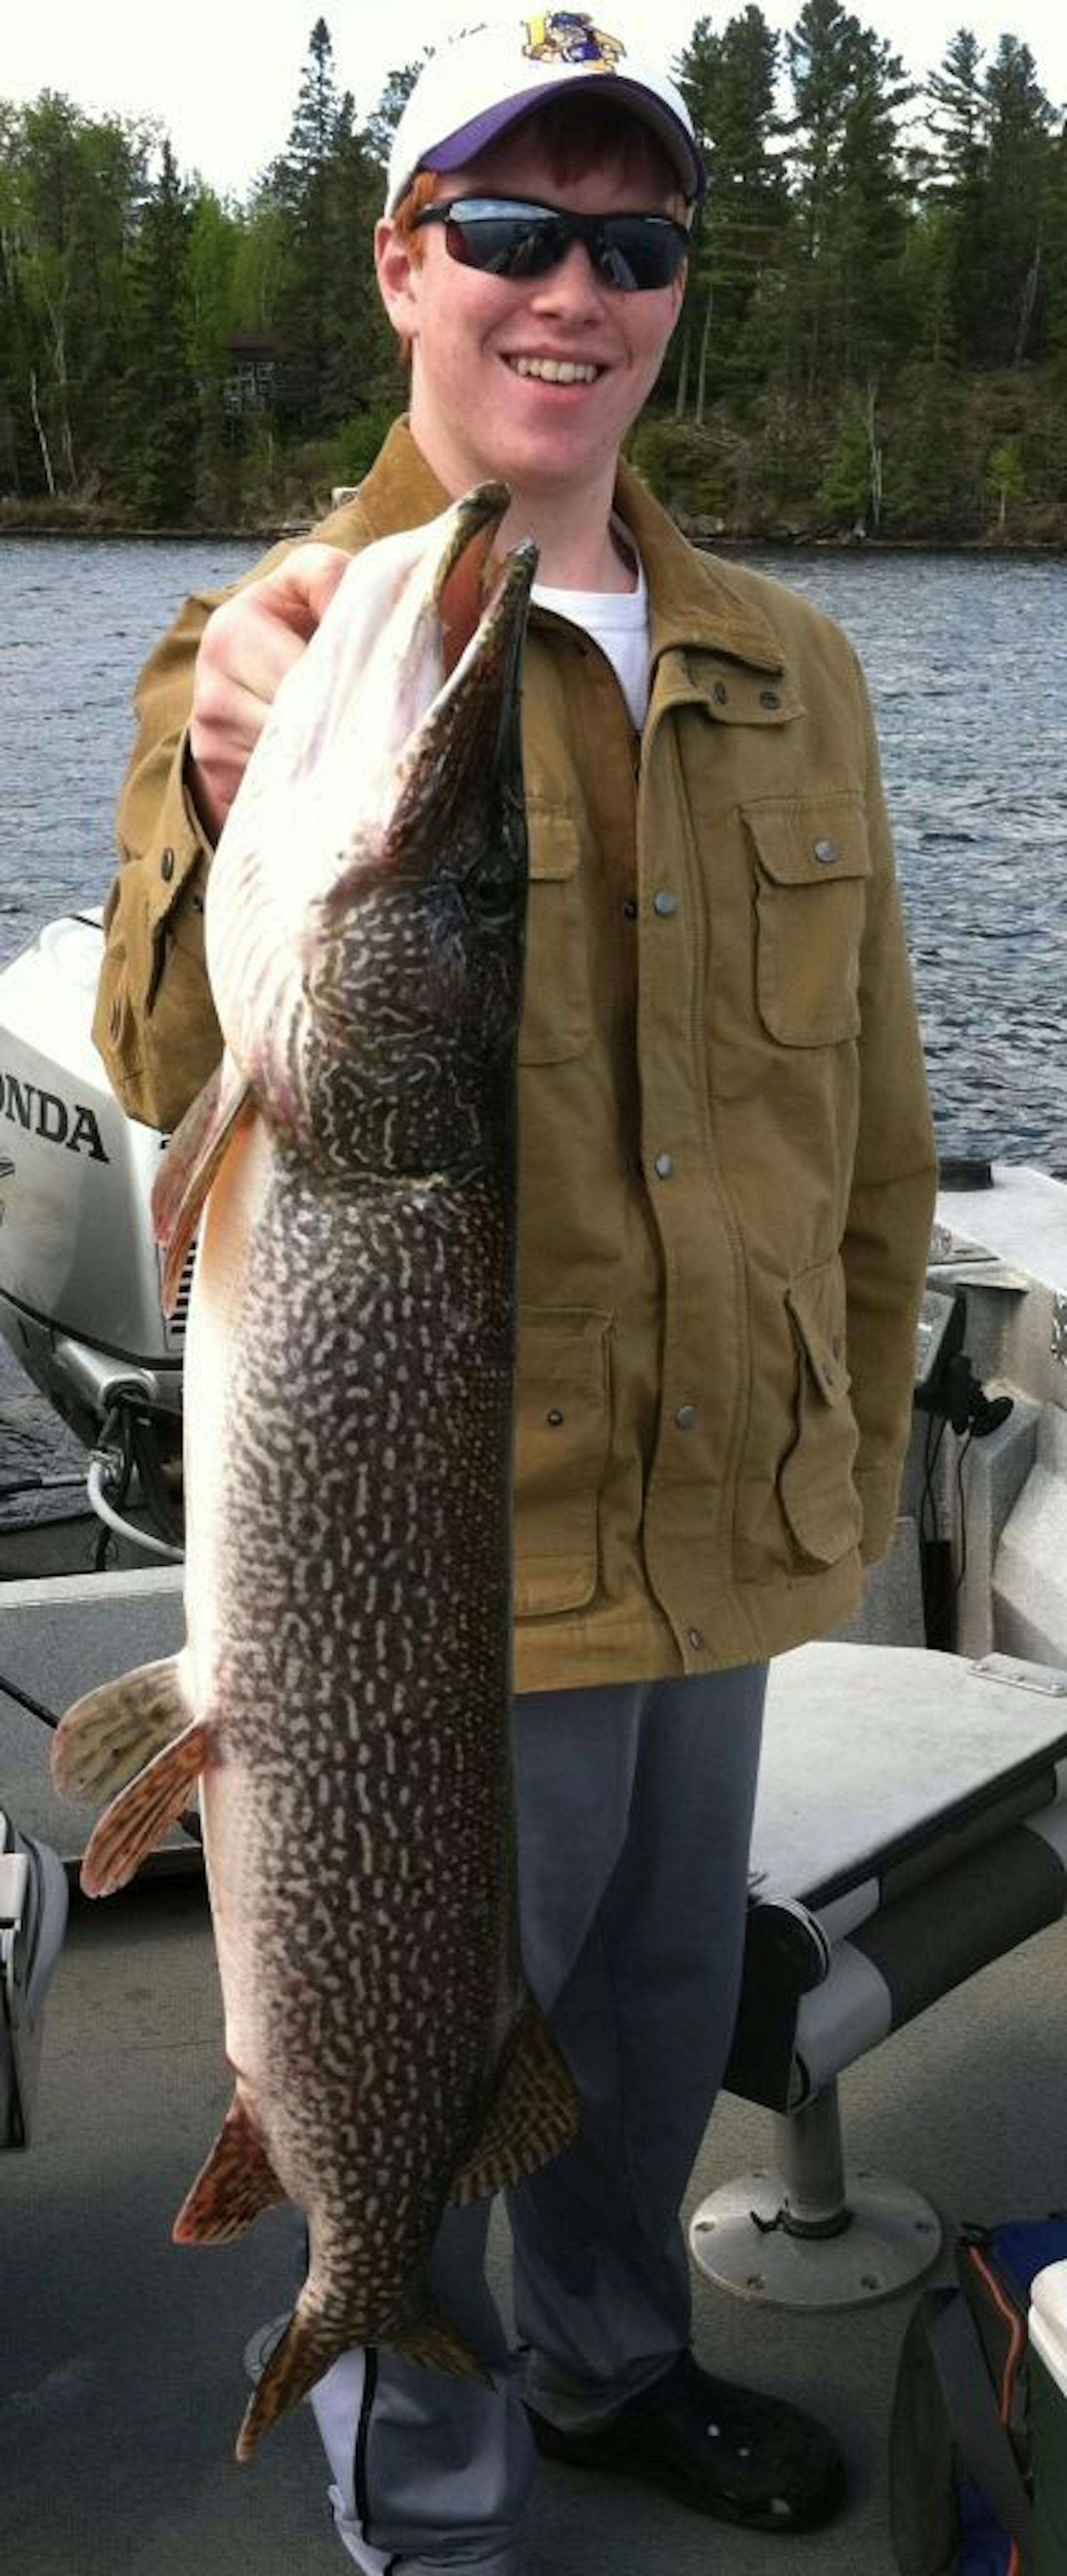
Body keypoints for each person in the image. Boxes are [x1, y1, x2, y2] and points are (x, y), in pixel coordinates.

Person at [92, 14, 937, 2571]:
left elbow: (877, 1127)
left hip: (734, 1542)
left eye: (639, 242)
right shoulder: (274, 649)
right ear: (405, 261)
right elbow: (162, 1045)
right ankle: (420, 2494)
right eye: (514, 228)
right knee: (403, 2064)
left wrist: (859, 1432)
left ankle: (610, 2362)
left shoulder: (796, 663)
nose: (578, 289)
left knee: (651, 2042)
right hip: (445, 1578)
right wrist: (236, 777)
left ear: (677, 285)